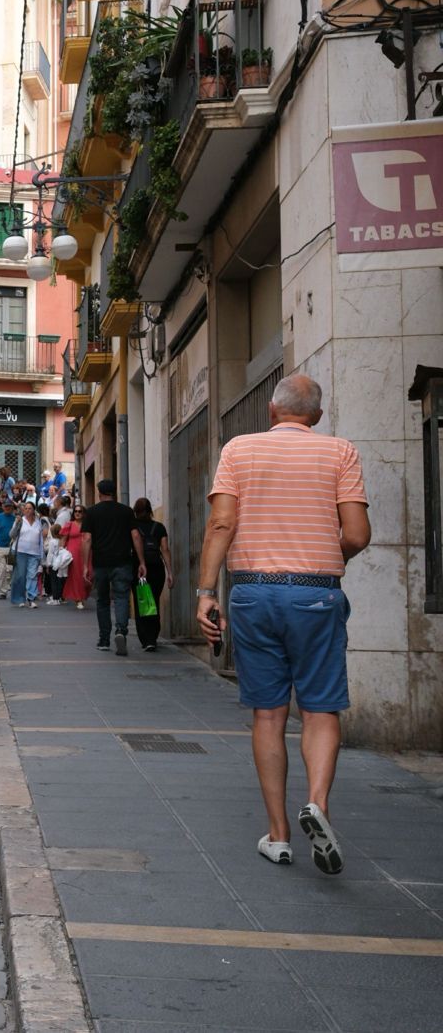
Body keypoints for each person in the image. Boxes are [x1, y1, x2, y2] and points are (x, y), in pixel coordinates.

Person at [196, 375, 369, 875]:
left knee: (269, 715)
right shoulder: (341, 453)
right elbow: (357, 533)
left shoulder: (239, 450)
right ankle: (319, 805)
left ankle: (279, 835)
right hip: (316, 593)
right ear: (315, 416)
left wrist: (207, 593)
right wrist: (319, 559)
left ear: (271, 410)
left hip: (253, 592)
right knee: (320, 709)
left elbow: (222, 523)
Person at [80, 480, 145, 656]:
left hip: (101, 563)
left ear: (99, 492)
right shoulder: (126, 511)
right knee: (122, 597)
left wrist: (85, 565)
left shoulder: (92, 512)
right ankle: (120, 631)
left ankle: (103, 640)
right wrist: (142, 562)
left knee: (102, 601)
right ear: (114, 492)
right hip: (123, 562)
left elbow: (86, 539)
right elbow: (136, 536)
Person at [132, 498, 173, 651]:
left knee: (141, 602)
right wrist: (170, 572)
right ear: (150, 510)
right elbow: (165, 550)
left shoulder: (133, 526)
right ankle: (152, 637)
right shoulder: (159, 527)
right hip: (157, 568)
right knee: (153, 602)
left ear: (136, 510)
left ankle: (146, 638)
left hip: (138, 568)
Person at [9, 501, 47, 608]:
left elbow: (40, 539)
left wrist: (41, 555)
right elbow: (11, 535)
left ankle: (31, 598)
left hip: (34, 553)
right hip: (21, 552)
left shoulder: (38, 522)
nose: (27, 510)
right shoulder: (20, 521)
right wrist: (16, 524)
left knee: (32, 575)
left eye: (30, 508)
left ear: (33, 510)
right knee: (20, 576)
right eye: (25, 508)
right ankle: (20, 598)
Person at [58, 503, 90, 609]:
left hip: (87, 553)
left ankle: (83, 595)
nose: (77, 513)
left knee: (90, 574)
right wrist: (60, 551)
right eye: (75, 511)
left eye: (80, 511)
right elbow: (63, 539)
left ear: (84, 513)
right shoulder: (69, 524)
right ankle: (78, 599)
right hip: (74, 553)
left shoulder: (88, 524)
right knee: (76, 576)